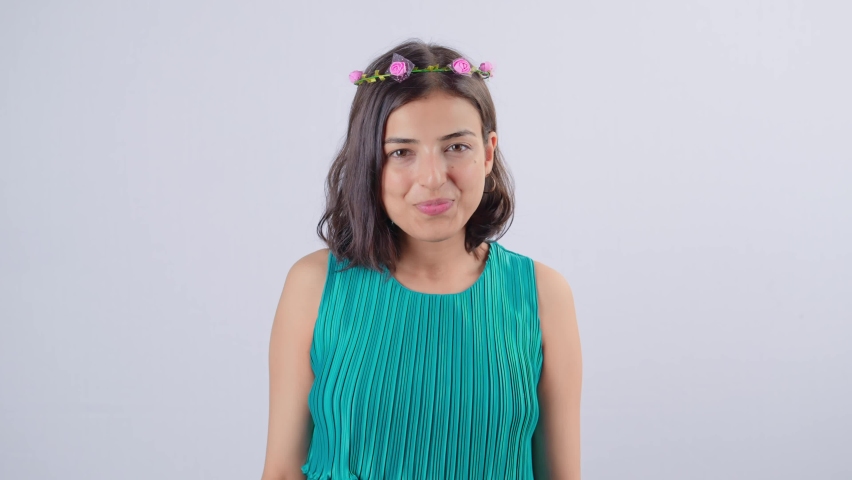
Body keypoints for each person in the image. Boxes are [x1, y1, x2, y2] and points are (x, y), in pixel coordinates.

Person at [261, 39, 582, 480]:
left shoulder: (544, 296)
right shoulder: (313, 285)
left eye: (456, 147)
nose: (432, 179)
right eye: (401, 152)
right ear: (369, 162)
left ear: (488, 152)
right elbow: (281, 471)